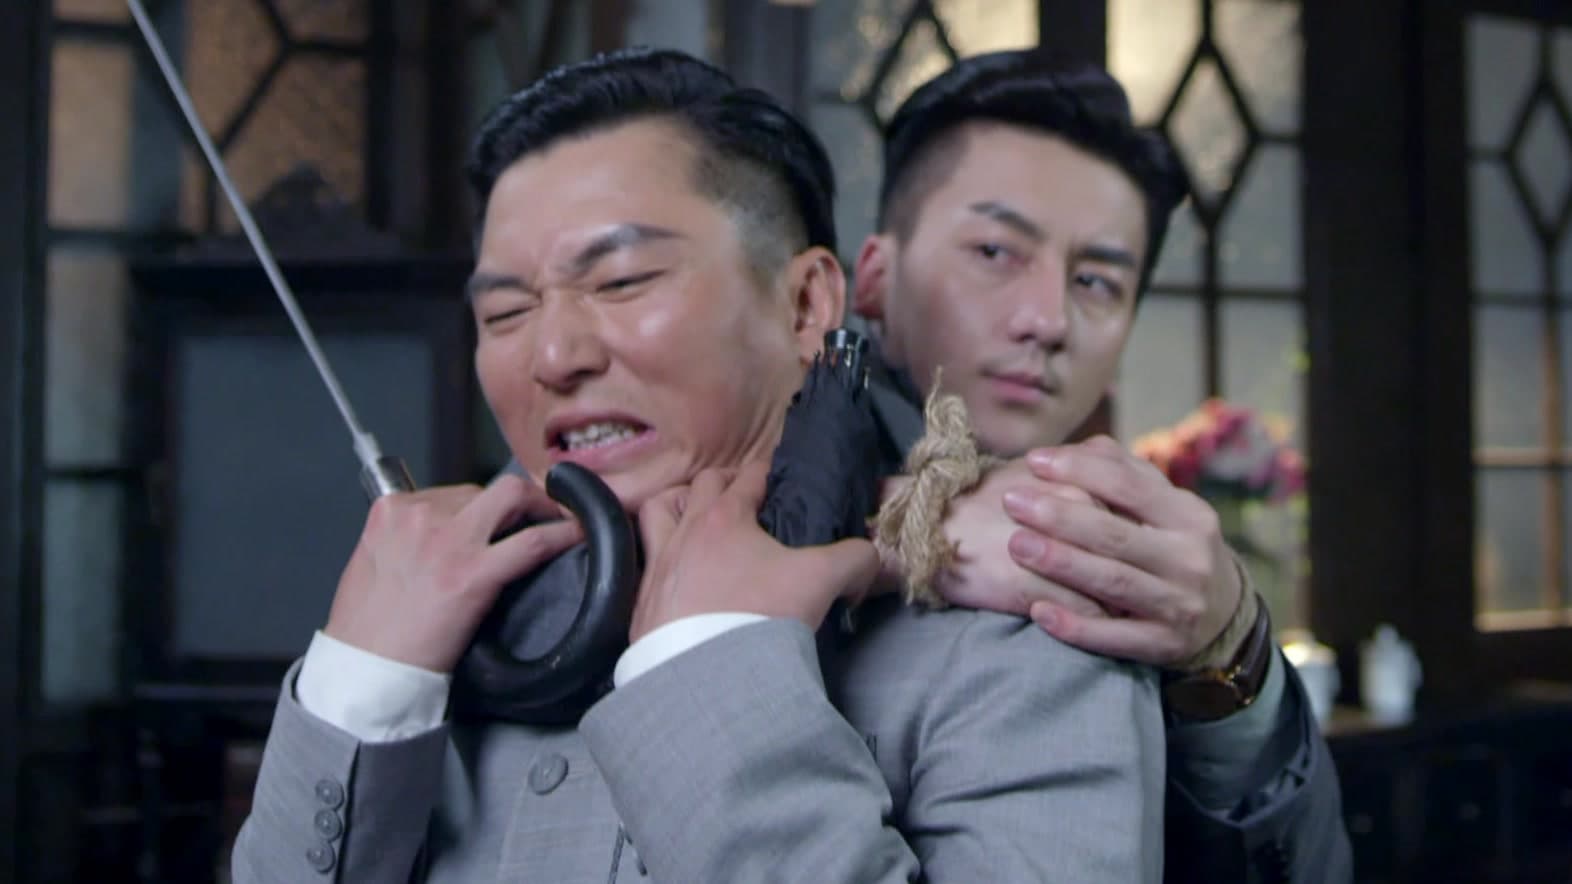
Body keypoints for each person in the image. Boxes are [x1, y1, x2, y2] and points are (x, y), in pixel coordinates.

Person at [231, 47, 1163, 883]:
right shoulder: (444, 621)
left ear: (807, 306)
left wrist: (706, 665)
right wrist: (359, 692)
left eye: (623, 281)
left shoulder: (1023, 636)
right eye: (506, 313)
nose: (552, 356)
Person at [847, 50, 1353, 883]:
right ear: (872, 278)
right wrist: (890, 514)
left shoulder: (1105, 541)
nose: (1048, 319)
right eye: (995, 251)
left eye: (1094, 281)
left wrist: (1235, 652)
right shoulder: (741, 462)